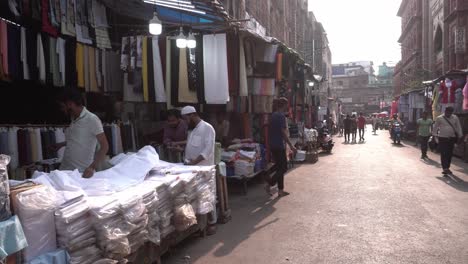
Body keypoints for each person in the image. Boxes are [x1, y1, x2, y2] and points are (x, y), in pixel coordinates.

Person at [52, 89, 109, 178]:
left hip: (80, 173)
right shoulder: (73, 119)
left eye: (63, 106)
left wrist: (92, 167)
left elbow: (105, 146)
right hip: (64, 170)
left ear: (70, 104)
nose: (62, 109)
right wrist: (62, 144)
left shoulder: (92, 119)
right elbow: (79, 139)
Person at [266, 97, 296, 197]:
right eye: (286, 105)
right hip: (279, 144)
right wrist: (291, 145)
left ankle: (280, 190)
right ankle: (270, 181)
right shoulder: (280, 116)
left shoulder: (273, 115)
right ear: (283, 105)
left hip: (273, 144)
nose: (287, 107)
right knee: (283, 168)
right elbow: (283, 132)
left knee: (279, 167)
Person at [432, 107, 463, 175]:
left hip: (452, 138)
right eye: (447, 112)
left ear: (452, 112)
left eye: (450, 112)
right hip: (442, 138)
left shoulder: (455, 118)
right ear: (445, 111)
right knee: (444, 153)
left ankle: (447, 167)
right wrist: (435, 137)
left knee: (449, 154)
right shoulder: (439, 118)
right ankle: (445, 168)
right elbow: (435, 127)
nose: (448, 114)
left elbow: (458, 127)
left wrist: (460, 135)